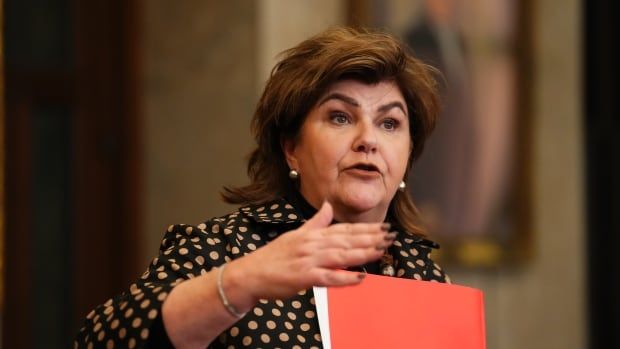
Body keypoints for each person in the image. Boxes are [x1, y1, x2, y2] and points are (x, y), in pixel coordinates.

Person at [74, 27, 450, 349]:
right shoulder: (222, 250)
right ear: (291, 149)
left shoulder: (427, 278)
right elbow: (99, 340)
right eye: (340, 117)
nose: (368, 139)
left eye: (389, 123)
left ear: (409, 152)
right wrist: (242, 282)